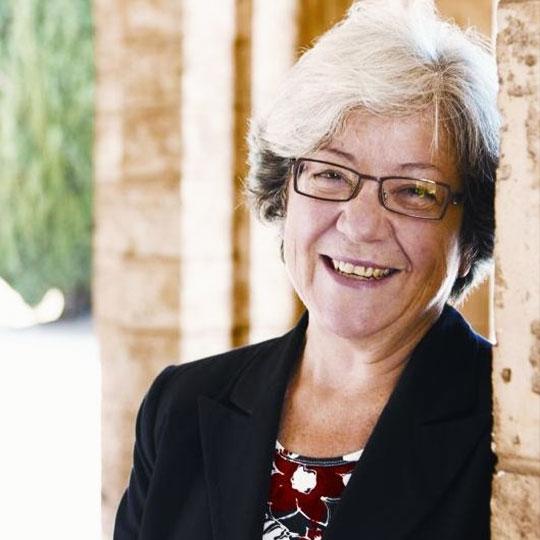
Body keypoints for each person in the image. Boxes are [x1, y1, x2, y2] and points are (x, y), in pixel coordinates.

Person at [114, 1, 499, 538]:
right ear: (282, 189)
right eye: (330, 174)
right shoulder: (178, 407)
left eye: (415, 190)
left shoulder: (513, 430)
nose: (362, 225)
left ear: (473, 226)